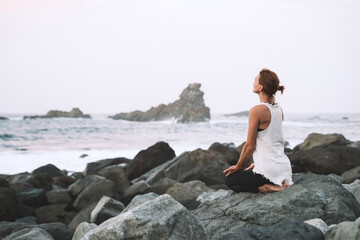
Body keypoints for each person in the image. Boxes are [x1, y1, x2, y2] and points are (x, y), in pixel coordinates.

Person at [223, 69, 293, 193]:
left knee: (230, 180)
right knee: (247, 173)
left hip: (270, 171)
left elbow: (250, 146)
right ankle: (278, 183)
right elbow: (272, 141)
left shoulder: (256, 111)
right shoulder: (279, 110)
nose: (253, 81)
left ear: (260, 87)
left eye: (255, 79)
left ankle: (267, 187)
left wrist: (239, 166)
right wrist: (257, 164)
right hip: (285, 169)